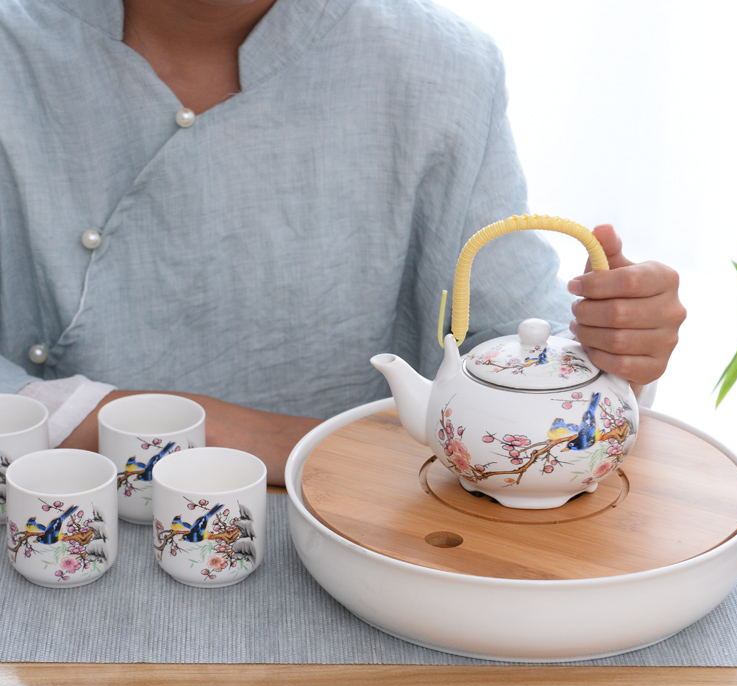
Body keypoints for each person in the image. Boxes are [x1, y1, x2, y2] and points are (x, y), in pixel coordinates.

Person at [0, 0, 685, 485]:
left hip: (367, 541)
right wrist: (260, 438)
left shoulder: (441, 67)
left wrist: (612, 343)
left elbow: (505, 349)